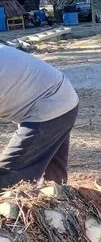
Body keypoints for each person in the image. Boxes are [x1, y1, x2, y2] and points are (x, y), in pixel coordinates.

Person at [0, 43, 79, 189]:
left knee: (6, 177)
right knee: (53, 181)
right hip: (60, 98)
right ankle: (58, 209)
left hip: (50, 105)